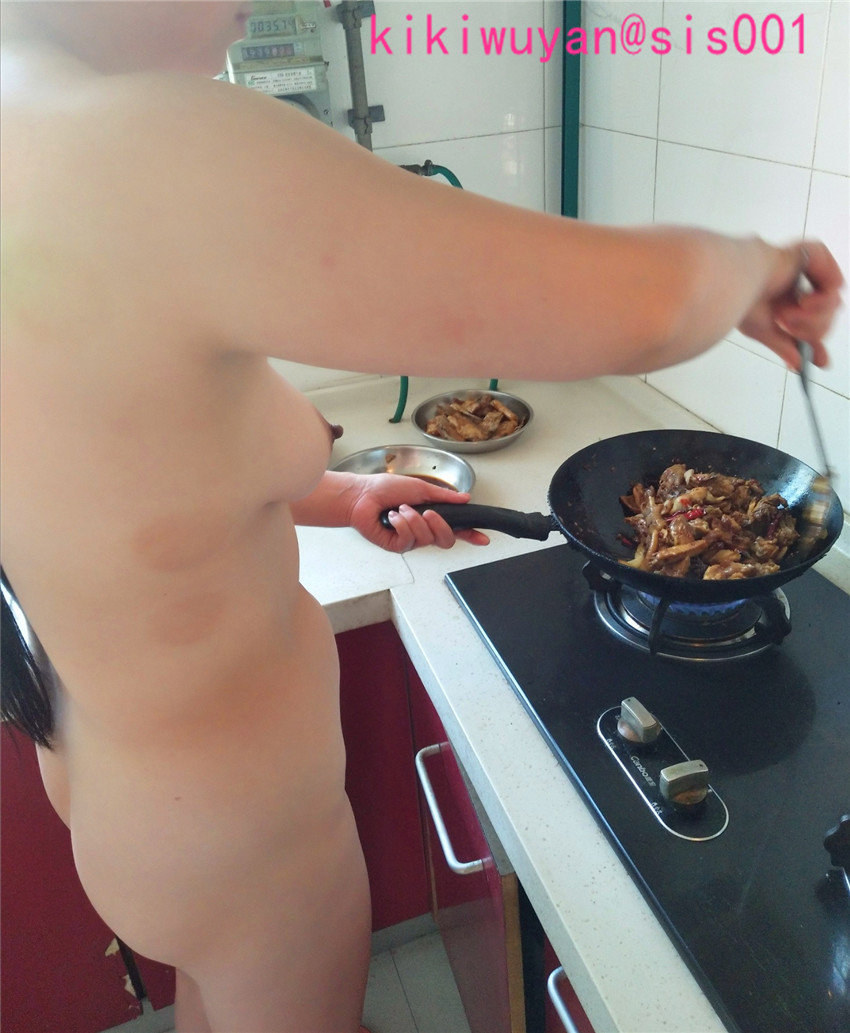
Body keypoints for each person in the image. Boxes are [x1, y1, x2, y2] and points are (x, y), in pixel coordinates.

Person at [0, 3, 843, 1032]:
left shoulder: (22, 119)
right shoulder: (134, 140)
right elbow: (609, 301)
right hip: (238, 834)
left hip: (128, 798)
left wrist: (345, 493)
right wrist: (758, 266)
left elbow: (131, 462)